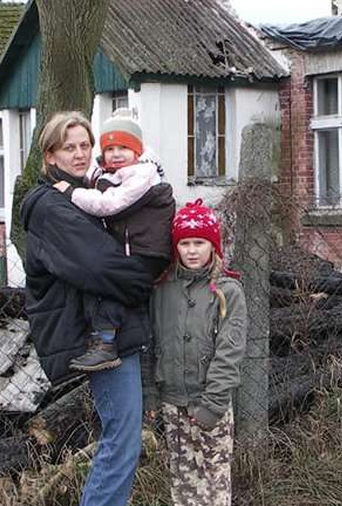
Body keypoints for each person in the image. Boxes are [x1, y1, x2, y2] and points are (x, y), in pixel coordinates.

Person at [20, 111, 165, 506]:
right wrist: (144, 279)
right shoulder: (53, 208)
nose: (81, 154)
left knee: (124, 437)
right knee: (122, 439)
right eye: (70, 147)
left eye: (86, 145)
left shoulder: (91, 194)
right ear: (50, 156)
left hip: (114, 331)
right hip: (99, 339)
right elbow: (100, 266)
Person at [54, 108, 175, 372]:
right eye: (110, 149)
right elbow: (96, 182)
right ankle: (105, 340)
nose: (116, 154)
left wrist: (71, 193)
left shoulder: (142, 175)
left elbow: (110, 205)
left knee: (113, 286)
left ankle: (106, 344)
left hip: (148, 251)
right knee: (106, 282)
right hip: (133, 247)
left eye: (124, 147)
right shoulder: (110, 174)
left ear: (137, 151)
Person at [145, 199, 247, 506]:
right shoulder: (161, 289)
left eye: (199, 243)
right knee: (183, 483)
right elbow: (149, 344)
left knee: (213, 484)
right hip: (172, 402)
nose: (191, 251)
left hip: (209, 402)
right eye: (185, 243)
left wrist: (213, 404)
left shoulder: (227, 291)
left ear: (212, 245)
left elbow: (230, 351)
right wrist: (151, 394)